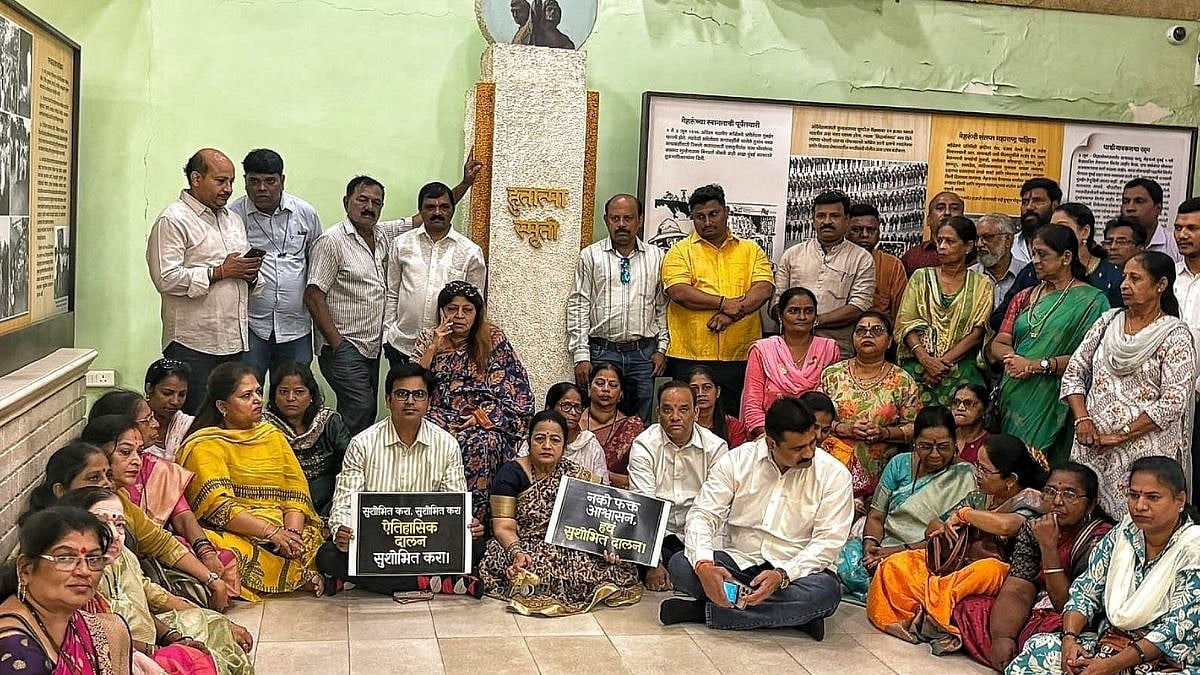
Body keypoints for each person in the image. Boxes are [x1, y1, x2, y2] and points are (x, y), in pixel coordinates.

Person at [660, 398, 852, 639]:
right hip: (739, 564)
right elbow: (703, 514)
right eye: (797, 448)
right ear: (771, 443)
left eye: (812, 442)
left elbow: (828, 543)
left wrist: (783, 575)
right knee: (682, 565)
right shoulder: (737, 461)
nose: (809, 453)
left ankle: (704, 612)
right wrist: (705, 566)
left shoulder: (834, 475)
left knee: (826, 592)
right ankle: (795, 618)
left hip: (796, 575)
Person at [1007, 456, 1200, 674]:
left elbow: (1175, 629)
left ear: (1180, 500)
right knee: (1039, 650)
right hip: (1109, 645)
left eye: (1153, 497)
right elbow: (1085, 591)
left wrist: (1110, 666)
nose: (1140, 505)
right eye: (1134, 495)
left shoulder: (1193, 549)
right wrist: (1070, 639)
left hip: (1167, 658)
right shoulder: (1122, 534)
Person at [866, 434, 1048, 655]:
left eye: (984, 470)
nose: (977, 475)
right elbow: (936, 523)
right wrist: (940, 529)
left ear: (1010, 479)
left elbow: (1008, 526)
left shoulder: (1030, 500)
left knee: (990, 569)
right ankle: (910, 616)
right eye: (977, 467)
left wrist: (965, 515)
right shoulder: (980, 497)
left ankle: (933, 617)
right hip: (958, 563)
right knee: (896, 564)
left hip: (997, 572)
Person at [318, 363, 485, 599]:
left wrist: (467, 525)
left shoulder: (447, 444)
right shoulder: (362, 444)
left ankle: (358, 582)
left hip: (426, 543)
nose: (410, 401)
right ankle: (433, 582)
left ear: (428, 402)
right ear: (388, 400)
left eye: (418, 394)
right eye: (401, 394)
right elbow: (344, 502)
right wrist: (342, 531)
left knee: (476, 546)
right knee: (328, 555)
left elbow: (453, 501)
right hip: (378, 545)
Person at [62, 488, 253, 675]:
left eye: (119, 525)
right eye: (100, 524)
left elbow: (140, 602)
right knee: (195, 660)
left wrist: (173, 636)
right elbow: (98, 638)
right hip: (123, 656)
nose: (113, 535)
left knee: (213, 624)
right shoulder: (80, 579)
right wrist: (154, 650)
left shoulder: (123, 555)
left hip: (147, 639)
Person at [1063, 251, 1195, 518]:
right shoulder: (1107, 321)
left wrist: (1120, 435)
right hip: (1093, 449)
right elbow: (1074, 372)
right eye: (1124, 277)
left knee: (1137, 521)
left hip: (1144, 454)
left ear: (1161, 285)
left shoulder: (1175, 334)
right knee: (1086, 522)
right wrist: (1082, 421)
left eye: (1135, 278)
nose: (1125, 285)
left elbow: (1172, 403)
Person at [23, 443, 230, 612]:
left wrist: (211, 582)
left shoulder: (117, 506)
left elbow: (160, 545)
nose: (106, 484)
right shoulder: (57, 541)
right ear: (61, 490)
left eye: (108, 476)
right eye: (94, 478)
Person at [178, 363, 324, 600]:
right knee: (226, 551)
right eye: (246, 396)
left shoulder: (272, 435)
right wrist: (272, 533)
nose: (257, 400)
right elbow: (219, 509)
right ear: (223, 407)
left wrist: (292, 534)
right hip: (236, 530)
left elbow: (295, 494)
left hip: (280, 526)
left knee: (313, 540)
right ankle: (297, 578)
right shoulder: (205, 444)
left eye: (258, 392)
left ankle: (292, 569)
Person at [479, 410, 642, 615]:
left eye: (555, 440)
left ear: (565, 446)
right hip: (521, 543)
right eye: (539, 439)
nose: (547, 445)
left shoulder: (576, 474)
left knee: (615, 565)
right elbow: (503, 527)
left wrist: (609, 544)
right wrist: (517, 552)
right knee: (537, 568)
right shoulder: (510, 473)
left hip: (568, 543)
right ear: (529, 442)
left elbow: (602, 516)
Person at [952, 462, 1112, 670]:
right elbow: (1018, 585)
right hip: (1037, 604)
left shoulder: (1099, 539)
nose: (1057, 501)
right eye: (1050, 491)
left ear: (1090, 505)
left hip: (1074, 619)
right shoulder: (1034, 526)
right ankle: (1013, 650)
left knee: (1048, 634)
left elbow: (1070, 605)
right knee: (971, 609)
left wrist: (1048, 548)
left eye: (1070, 495)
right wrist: (1003, 637)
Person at [80, 415, 239, 610]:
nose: (137, 461)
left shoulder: (119, 497)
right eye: (125, 452)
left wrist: (212, 579)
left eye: (139, 452)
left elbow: (160, 541)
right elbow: (132, 587)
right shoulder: (84, 515)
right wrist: (195, 614)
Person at [146, 148, 261, 415]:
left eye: (231, 181)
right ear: (196, 179)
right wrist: (218, 272)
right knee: (195, 419)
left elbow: (237, 270)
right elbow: (166, 277)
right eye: (221, 181)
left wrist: (251, 273)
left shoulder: (233, 219)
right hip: (193, 343)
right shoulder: (173, 219)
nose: (229, 189)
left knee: (230, 418)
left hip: (234, 340)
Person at [416, 281, 534, 526]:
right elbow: (414, 384)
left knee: (484, 442)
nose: (458, 316)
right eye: (451, 309)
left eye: (466, 310)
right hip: (440, 413)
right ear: (442, 311)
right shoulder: (430, 337)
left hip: (482, 415)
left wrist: (483, 415)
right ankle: (430, 521)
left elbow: (517, 388)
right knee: (426, 436)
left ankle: (474, 526)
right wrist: (434, 348)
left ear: (477, 313)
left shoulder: (492, 338)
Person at [990, 225, 1110, 465]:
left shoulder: (1092, 301)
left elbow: (1092, 358)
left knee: (1043, 468)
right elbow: (1000, 341)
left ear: (1066, 257)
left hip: (1058, 399)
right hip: (1016, 396)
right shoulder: (1024, 296)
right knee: (1011, 465)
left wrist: (1037, 365)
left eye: (1042, 254)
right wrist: (1012, 359)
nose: (1035, 261)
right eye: (1033, 253)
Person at [838, 406, 976, 604]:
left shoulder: (966, 476)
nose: (935, 454)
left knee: (905, 576)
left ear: (956, 443)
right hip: (883, 544)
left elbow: (950, 539)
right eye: (926, 447)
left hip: (925, 554)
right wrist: (871, 546)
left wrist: (893, 552)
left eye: (943, 447)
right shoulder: (899, 464)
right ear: (914, 443)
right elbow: (877, 515)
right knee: (846, 561)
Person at [662, 184, 774, 413]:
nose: (708, 222)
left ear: (727, 211)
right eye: (700, 217)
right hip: (689, 355)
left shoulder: (751, 250)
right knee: (685, 418)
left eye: (714, 214)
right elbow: (679, 292)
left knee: (733, 420)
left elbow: (763, 289)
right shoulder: (680, 251)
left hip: (739, 354)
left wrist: (730, 316)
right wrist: (723, 303)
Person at [305, 175, 400, 436]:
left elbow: (425, 215)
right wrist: (338, 344)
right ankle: (342, 470)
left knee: (365, 411)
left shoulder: (382, 235)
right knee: (361, 406)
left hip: (371, 347)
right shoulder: (331, 241)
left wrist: (465, 184)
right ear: (346, 202)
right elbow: (313, 295)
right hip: (343, 347)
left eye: (376, 203)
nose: (369, 207)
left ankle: (352, 469)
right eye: (362, 200)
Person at [567, 194, 668, 423]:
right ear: (606, 220)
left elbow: (662, 306)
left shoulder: (657, 257)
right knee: (594, 419)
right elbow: (578, 304)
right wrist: (580, 355)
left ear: (639, 220)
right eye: (615, 218)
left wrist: (662, 348)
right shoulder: (591, 256)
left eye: (628, 218)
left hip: (644, 356)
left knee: (639, 421)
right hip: (601, 351)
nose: (621, 224)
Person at [227, 148, 322, 383]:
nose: (262, 188)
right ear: (245, 182)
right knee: (246, 390)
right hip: (251, 323)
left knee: (294, 394)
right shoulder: (232, 216)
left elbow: (317, 264)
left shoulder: (305, 213)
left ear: (282, 181)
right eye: (254, 181)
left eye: (270, 181)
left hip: (296, 326)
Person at [0, 507, 132, 674]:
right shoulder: (15, 653)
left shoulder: (80, 623)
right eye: (65, 558)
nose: (84, 571)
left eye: (93, 558)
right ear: (25, 569)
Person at [628, 380, 729, 591]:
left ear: (696, 412)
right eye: (667, 410)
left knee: (702, 566)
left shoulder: (716, 447)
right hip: (660, 534)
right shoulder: (644, 445)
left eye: (683, 409)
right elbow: (645, 508)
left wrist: (703, 554)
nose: (675, 417)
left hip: (702, 534)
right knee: (622, 555)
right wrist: (653, 565)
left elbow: (715, 508)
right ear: (658, 413)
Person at [383, 181, 486, 371]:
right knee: (405, 399)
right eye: (430, 207)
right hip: (401, 344)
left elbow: (476, 305)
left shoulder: (470, 251)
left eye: (444, 207)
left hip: (449, 348)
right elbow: (392, 293)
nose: (437, 212)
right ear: (420, 211)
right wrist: (387, 335)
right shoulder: (401, 244)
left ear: (452, 210)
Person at [820, 311, 922, 503]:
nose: (868, 335)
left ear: (890, 340)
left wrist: (885, 433)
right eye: (861, 330)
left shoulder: (902, 381)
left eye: (876, 330)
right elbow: (813, 418)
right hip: (833, 468)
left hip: (882, 474)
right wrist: (844, 429)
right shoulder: (832, 375)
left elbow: (915, 428)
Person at [896, 215, 993, 408]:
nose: (941, 246)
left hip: (960, 367)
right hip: (918, 363)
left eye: (949, 241)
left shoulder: (983, 284)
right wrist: (926, 361)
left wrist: (940, 365)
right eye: (939, 240)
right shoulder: (920, 277)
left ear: (968, 246)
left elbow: (977, 333)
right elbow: (906, 324)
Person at [774, 190, 875, 354]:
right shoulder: (792, 255)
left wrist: (813, 321)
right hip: (790, 348)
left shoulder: (861, 258)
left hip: (837, 349)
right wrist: (794, 322)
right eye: (821, 216)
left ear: (847, 220)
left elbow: (859, 305)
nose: (827, 221)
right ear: (813, 220)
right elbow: (777, 301)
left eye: (834, 216)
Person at [742, 287, 841, 439]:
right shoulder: (762, 350)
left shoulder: (828, 349)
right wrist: (772, 440)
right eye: (793, 311)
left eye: (808, 311)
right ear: (780, 316)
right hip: (771, 437)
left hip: (819, 438)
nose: (802, 316)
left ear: (815, 317)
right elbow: (752, 405)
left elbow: (832, 403)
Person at [262, 360, 351, 517]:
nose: (290, 398)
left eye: (299, 392)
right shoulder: (264, 426)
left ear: (311, 396)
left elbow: (350, 465)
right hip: (280, 504)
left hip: (329, 502)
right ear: (273, 396)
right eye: (283, 392)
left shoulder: (329, 421)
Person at [515, 382, 609, 484]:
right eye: (566, 406)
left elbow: (602, 490)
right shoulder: (536, 441)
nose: (573, 412)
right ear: (549, 408)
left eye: (577, 407)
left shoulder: (590, 445)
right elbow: (518, 477)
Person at [1174, 197, 1200, 509]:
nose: (1182, 234)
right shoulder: (1169, 280)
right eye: (1179, 228)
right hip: (1168, 404)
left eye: (1192, 228)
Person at [580, 362, 644, 489]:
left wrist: (600, 476)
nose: (606, 389)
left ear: (621, 393)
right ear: (588, 388)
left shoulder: (632, 427)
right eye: (599, 383)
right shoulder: (574, 422)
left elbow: (640, 479)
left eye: (613, 385)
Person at [848, 203, 908, 324]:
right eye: (856, 230)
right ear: (845, 230)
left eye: (871, 230)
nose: (864, 235)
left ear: (879, 232)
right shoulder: (833, 262)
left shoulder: (892, 265)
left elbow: (900, 315)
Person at [968, 213, 1022, 331]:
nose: (979, 244)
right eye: (977, 238)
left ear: (1008, 240)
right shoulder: (969, 276)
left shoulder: (1025, 274)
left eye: (987, 237)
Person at [143, 358, 195, 462]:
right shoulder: (133, 424)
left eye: (182, 394)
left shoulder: (190, 426)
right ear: (149, 388)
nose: (175, 401)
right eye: (167, 393)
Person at [901, 191, 965, 275]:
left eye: (954, 208)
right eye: (940, 208)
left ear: (963, 217)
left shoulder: (974, 256)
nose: (947, 213)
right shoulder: (912, 257)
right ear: (928, 220)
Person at [685, 365, 747, 448]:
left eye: (707, 387)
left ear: (718, 392)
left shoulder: (733, 426)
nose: (700, 393)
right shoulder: (682, 424)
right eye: (694, 389)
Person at [1124, 177, 1180, 262]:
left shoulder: (1175, 245)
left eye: (1139, 201)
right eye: (1126, 201)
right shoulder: (1113, 245)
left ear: (1158, 208)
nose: (1130, 208)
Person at [1012, 177, 1061, 269]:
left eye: (1037, 201)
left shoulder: (1064, 247)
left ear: (1055, 205)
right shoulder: (1011, 246)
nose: (1029, 207)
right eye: (1025, 202)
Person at [950, 383, 989, 465]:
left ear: (984, 409)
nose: (960, 408)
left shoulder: (990, 444)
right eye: (956, 402)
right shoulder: (945, 436)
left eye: (968, 403)